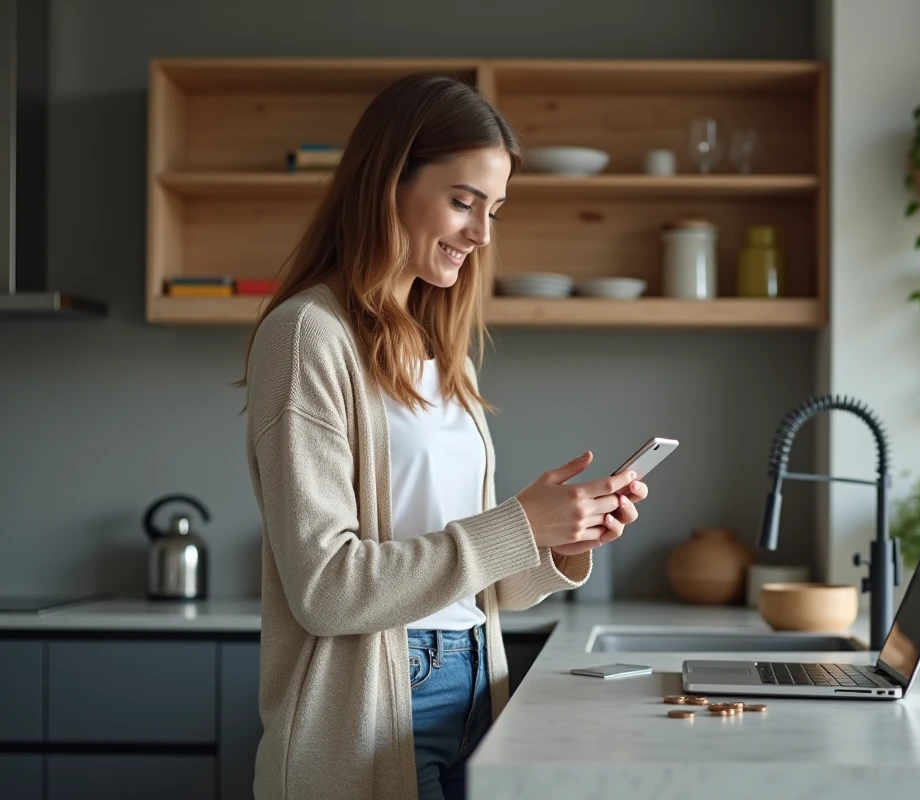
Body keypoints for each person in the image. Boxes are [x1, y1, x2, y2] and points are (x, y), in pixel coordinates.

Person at [237, 73, 649, 800]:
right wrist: (514, 524)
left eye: (494, 209)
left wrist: (554, 542)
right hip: (369, 711)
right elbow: (328, 590)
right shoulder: (308, 336)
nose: (482, 233)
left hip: (475, 689)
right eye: (463, 202)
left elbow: (474, 585)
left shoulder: (439, 350)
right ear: (389, 181)